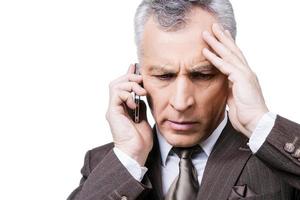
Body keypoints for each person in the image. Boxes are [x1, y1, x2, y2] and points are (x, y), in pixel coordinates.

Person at [67, 0, 300, 199]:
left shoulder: (276, 158)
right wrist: (129, 156)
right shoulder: (106, 164)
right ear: (138, 76)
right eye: (163, 75)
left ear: (232, 73)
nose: (181, 102)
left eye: (202, 75)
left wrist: (260, 123)